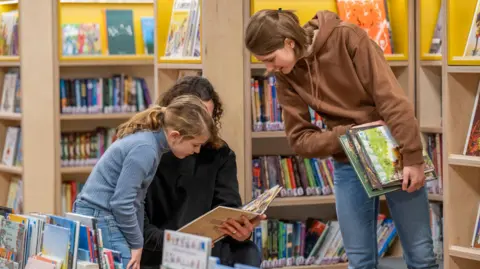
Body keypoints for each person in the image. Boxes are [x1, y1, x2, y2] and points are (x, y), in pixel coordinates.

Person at [244, 9, 438, 269]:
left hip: (393, 149)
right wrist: (349, 134)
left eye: (270, 58)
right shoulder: (285, 75)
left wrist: (412, 157)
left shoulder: (347, 38)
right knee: (359, 262)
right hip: (348, 158)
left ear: (289, 42)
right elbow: (300, 141)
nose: (268, 68)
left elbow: (392, 101)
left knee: (422, 256)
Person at [72, 94, 218, 269]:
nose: (197, 151)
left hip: (101, 214)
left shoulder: (152, 143)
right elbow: (121, 203)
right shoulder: (146, 149)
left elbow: (137, 201)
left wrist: (138, 241)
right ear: (175, 136)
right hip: (101, 216)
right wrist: (137, 244)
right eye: (195, 145)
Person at [140, 76, 264, 268]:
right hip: (156, 248)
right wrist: (180, 242)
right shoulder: (146, 151)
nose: (205, 126)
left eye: (209, 118)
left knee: (246, 251)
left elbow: (228, 208)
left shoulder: (219, 153)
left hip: (205, 249)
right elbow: (137, 225)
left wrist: (241, 231)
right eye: (197, 117)